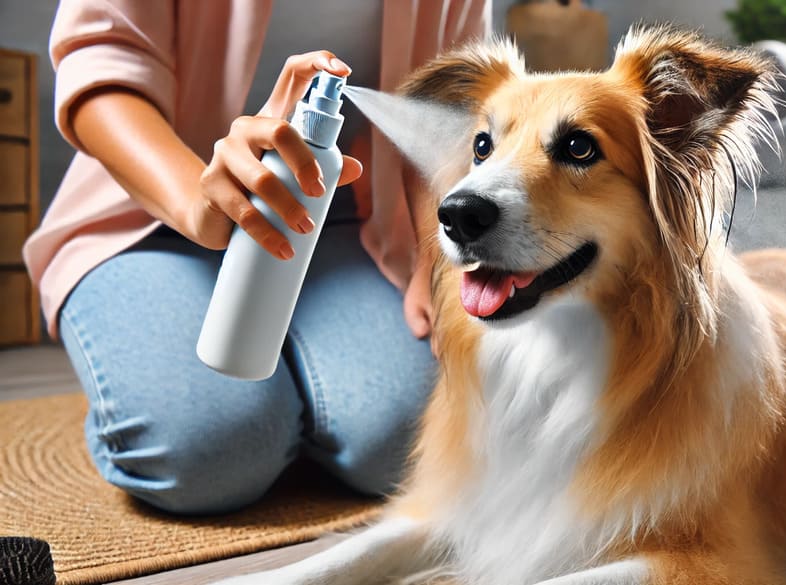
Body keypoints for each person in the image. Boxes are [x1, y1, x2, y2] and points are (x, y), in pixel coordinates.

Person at [22, 0, 491, 515]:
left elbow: (445, 112)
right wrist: (196, 202)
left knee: (401, 444)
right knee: (208, 453)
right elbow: (102, 61)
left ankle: (291, 409)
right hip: (149, 219)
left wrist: (435, 256)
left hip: (341, 219)